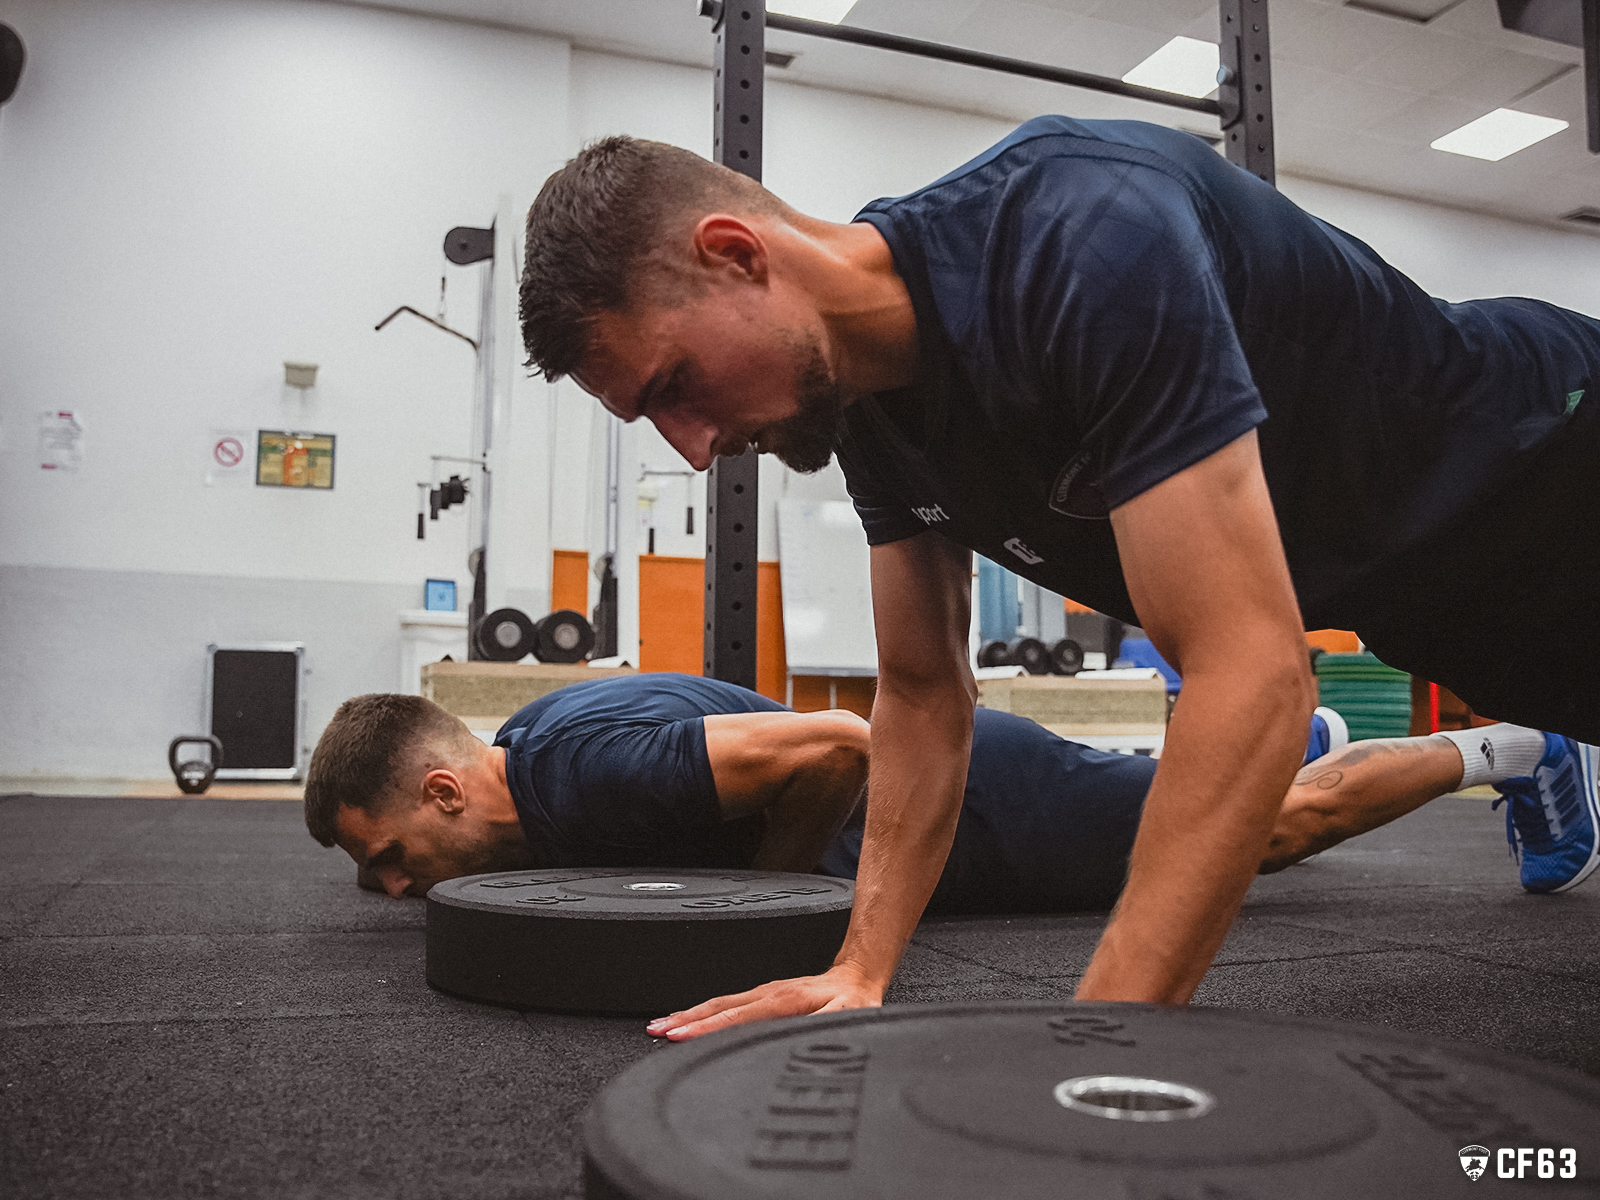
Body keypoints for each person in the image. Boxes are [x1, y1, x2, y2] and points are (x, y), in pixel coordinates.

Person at [514, 117, 1600, 1031]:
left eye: (673, 386)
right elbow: (925, 692)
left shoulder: (1081, 234)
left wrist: (1093, 1052)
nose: (692, 448)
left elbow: (1250, 672)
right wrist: (859, 972)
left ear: (736, 254)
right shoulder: (870, 416)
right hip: (1423, 599)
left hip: (1552, 466)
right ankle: (1535, 751)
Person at [304, 674, 1597, 926]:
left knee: (1271, 835)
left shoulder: (584, 770)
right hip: (972, 796)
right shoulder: (533, 749)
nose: (404, 889)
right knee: (1221, 809)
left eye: (397, 859)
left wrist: (771, 901)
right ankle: (1287, 736)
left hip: (981, 803)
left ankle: (1526, 750)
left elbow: (832, 743)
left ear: (438, 783)